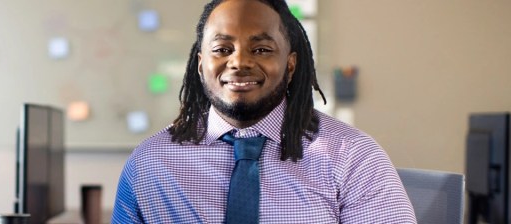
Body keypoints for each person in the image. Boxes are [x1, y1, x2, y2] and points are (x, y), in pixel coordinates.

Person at [111, 0, 416, 223]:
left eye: (261, 49)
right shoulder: (150, 163)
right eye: (222, 49)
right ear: (201, 64)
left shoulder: (353, 157)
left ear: (291, 64)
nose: (239, 62)